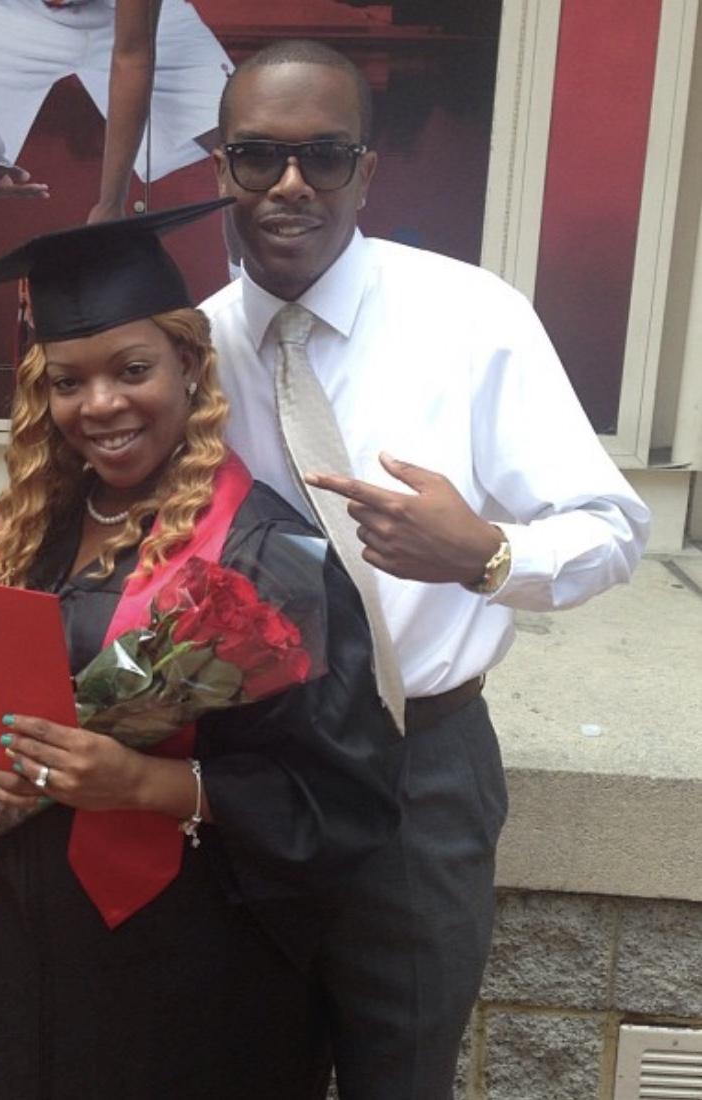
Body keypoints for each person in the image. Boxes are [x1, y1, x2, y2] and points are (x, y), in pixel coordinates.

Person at [200, 39, 652, 1099]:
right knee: (237, 1065)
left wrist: (485, 555)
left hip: (420, 767)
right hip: (247, 765)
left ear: (366, 171)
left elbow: (610, 526)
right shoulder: (190, 347)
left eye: (324, 155)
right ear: (220, 168)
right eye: (258, 155)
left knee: (399, 1075)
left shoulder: (471, 319)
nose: (290, 183)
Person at [0, 200, 403, 1098]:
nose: (100, 405)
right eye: (68, 381)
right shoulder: (35, 528)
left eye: (132, 370)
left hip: (189, 969)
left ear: (189, 365)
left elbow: (346, 798)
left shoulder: (270, 557)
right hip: (19, 954)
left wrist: (147, 783)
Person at [0, 0, 233, 391]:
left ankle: (246, 306)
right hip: (14, 12)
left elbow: (132, 56)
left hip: (137, 16)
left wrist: (110, 202)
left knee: (240, 135)